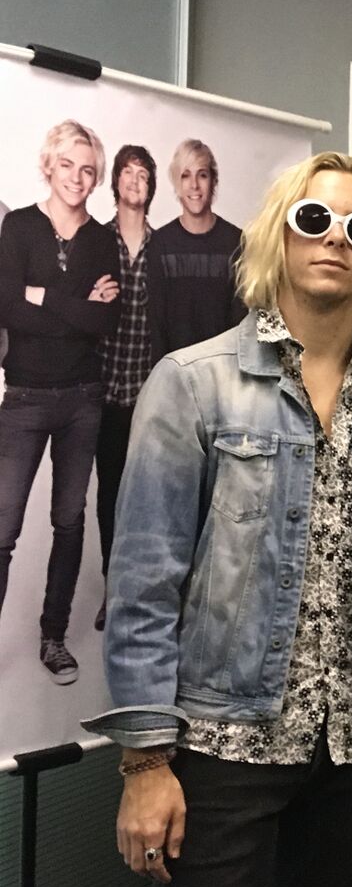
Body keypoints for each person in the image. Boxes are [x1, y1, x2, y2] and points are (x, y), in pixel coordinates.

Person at [83, 151, 352, 887]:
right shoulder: (192, 382)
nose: (335, 239)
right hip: (221, 746)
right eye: (313, 219)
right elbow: (142, 584)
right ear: (277, 235)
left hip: (349, 747)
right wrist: (145, 762)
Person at [0, 119, 120, 683]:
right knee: (2, 529)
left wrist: (42, 295)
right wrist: (77, 304)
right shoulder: (19, 226)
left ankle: (54, 637)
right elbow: (6, 308)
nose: (77, 177)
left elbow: (104, 322)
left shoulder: (102, 240)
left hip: (82, 400)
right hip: (24, 396)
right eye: (68, 164)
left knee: (69, 523)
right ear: (49, 165)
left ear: (97, 178)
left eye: (88, 169)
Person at [93, 144, 159, 631]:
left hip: (148, 392)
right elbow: (72, 301)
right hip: (100, 388)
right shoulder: (96, 241)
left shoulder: (164, 246)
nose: (135, 181)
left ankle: (143, 592)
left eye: (144, 175)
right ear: (115, 181)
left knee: (147, 496)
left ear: (151, 187)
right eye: (128, 173)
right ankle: (112, 589)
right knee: (109, 495)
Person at [147, 138, 245, 359]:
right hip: (174, 370)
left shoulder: (235, 242)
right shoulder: (160, 244)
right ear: (176, 183)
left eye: (202, 175)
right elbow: (156, 325)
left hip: (223, 369)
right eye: (185, 175)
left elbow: (241, 323)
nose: (194, 185)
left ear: (213, 181)